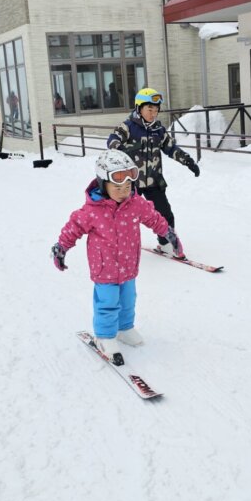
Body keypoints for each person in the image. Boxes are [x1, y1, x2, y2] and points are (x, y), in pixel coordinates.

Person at [51, 149, 184, 365]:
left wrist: (168, 233)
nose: (124, 192)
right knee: (107, 303)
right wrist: (61, 248)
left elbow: (154, 218)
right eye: (118, 188)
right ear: (103, 184)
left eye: (128, 187)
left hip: (129, 265)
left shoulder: (136, 204)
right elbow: (73, 228)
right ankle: (105, 337)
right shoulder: (92, 211)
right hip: (105, 268)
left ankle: (124, 328)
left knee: (128, 300)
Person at [107, 87, 200, 256]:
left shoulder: (158, 130)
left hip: (154, 181)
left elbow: (171, 148)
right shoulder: (127, 127)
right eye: (149, 109)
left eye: (156, 110)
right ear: (139, 108)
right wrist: (118, 148)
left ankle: (165, 243)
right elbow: (113, 139)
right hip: (131, 182)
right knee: (125, 216)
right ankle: (119, 244)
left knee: (165, 214)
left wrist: (187, 160)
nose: (153, 113)